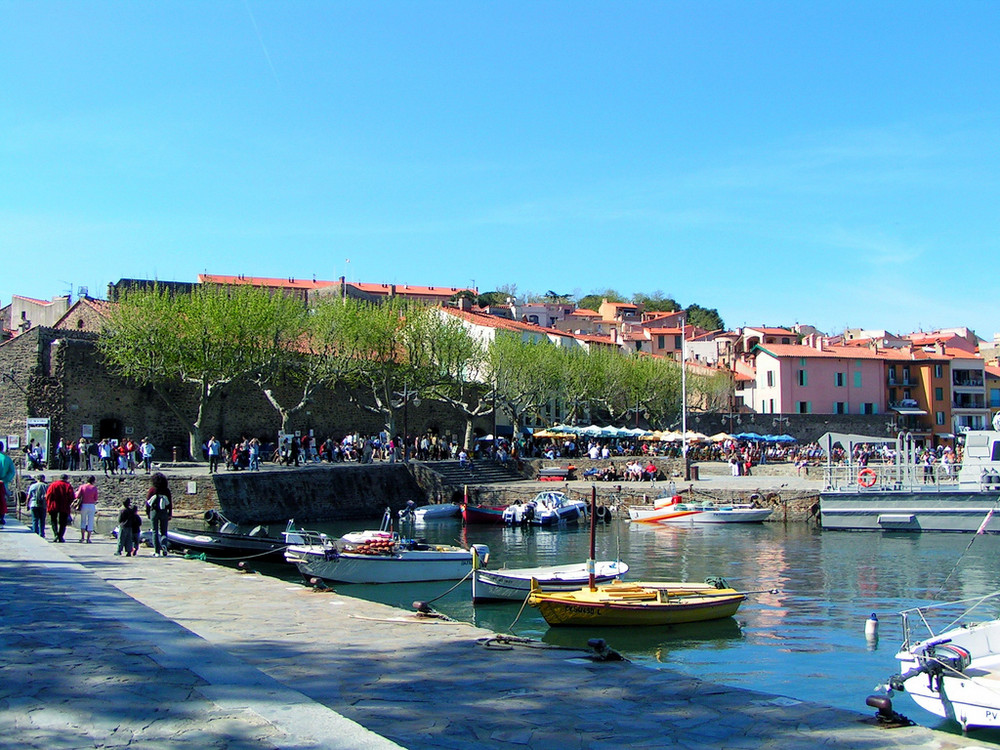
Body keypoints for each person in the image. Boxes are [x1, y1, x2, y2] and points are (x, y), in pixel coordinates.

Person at [145, 472, 173, 557]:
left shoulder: (152, 490)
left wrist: (148, 513)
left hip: (154, 512)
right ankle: (164, 547)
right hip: (164, 512)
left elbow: (147, 503)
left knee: (155, 531)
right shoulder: (166, 490)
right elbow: (170, 503)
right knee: (164, 532)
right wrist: (170, 514)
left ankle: (157, 551)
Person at [45, 474, 74, 543]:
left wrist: (48, 504)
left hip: (54, 505)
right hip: (64, 505)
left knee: (53, 520)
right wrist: (69, 503)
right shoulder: (68, 486)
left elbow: (48, 495)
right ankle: (60, 536)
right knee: (63, 522)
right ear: (66, 479)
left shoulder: (53, 485)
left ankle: (55, 534)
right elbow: (71, 496)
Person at [74, 475, 98, 543]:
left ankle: (82, 537)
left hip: (84, 505)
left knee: (83, 521)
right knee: (90, 521)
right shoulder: (94, 488)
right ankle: (88, 538)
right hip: (91, 505)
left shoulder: (82, 487)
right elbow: (96, 498)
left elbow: (77, 496)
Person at [0, 440, 15, 527]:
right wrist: (5, 479)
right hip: (3, 483)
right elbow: (12, 472)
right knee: (2, 501)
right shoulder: (7, 459)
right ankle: (1, 517)